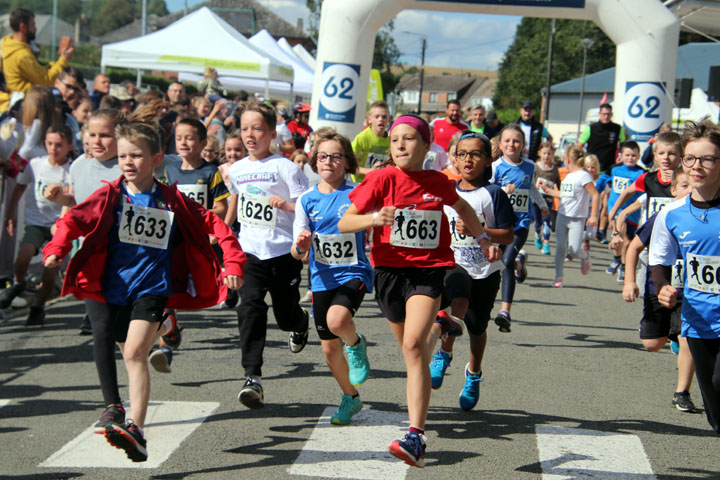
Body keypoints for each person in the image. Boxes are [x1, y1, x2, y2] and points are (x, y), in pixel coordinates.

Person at [43, 121, 246, 462]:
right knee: (127, 346)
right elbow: (73, 219)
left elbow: (216, 224)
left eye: (136, 155)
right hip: (114, 289)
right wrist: (57, 247)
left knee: (135, 353)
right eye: (123, 155)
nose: (127, 162)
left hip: (152, 289)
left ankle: (135, 428)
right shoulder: (110, 195)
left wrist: (234, 264)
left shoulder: (171, 199)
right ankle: (166, 326)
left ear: (156, 160)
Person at [337, 114, 498, 468]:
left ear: (427, 146)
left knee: (412, 346)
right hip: (389, 273)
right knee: (416, 354)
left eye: (409, 139)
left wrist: (483, 237)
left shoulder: (438, 181)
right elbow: (345, 221)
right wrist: (373, 220)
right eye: (395, 140)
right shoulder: (381, 179)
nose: (400, 145)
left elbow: (463, 207)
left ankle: (416, 436)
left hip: (428, 271)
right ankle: (442, 327)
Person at [226, 102, 309, 409]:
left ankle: (301, 323)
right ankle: (253, 377)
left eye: (257, 128)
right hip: (250, 251)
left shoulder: (287, 168)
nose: (250, 135)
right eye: (245, 128)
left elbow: (305, 208)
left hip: (283, 252)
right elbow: (237, 204)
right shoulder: (236, 170)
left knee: (285, 317)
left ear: (272, 133)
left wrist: (287, 207)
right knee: (250, 307)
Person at [429, 131, 515, 411]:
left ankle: (474, 374)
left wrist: (482, 232)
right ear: (454, 158)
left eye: (476, 154)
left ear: (489, 159)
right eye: (462, 154)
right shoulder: (448, 191)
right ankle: (443, 353)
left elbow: (508, 236)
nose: (468, 159)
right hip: (454, 264)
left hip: (486, 271)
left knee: (477, 327)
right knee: (455, 304)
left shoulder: (493, 194)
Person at [292, 131, 373, 425]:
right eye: (323, 156)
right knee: (328, 349)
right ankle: (350, 398)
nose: (328, 161)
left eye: (336, 156)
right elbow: (296, 249)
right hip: (321, 277)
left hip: (354, 272)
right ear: (314, 161)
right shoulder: (306, 200)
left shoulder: (357, 193)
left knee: (337, 322)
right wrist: (301, 245)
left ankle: (356, 343)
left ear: (347, 161)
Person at [649, 119, 720, 435]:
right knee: (716, 412)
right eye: (690, 158)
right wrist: (663, 287)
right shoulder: (672, 214)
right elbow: (659, 259)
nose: (696, 166)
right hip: (698, 320)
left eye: (707, 159)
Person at [624, 168, 696, 412]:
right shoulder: (663, 216)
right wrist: (629, 281)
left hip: (689, 290)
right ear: (673, 191)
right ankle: (666, 333)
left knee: (687, 337)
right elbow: (634, 248)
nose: (690, 191)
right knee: (652, 343)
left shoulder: (704, 217)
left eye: (693, 186)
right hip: (659, 286)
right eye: (684, 186)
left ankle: (681, 392)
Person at [0, 124, 73, 324]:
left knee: (50, 271)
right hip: (36, 221)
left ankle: (38, 306)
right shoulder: (35, 165)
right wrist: (10, 215)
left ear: (69, 146)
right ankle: (18, 284)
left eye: (59, 144)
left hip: (59, 225)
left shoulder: (72, 169)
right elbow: (19, 188)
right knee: (23, 255)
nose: (53, 148)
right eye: (49, 143)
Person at [491, 124, 547, 331]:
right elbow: (488, 192)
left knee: (504, 263)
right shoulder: (495, 167)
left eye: (516, 141)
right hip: (499, 224)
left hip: (520, 224)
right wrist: (502, 190)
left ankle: (505, 311)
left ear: (523, 145)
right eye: (507, 140)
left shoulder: (530, 166)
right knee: (499, 264)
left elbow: (531, 186)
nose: (511, 144)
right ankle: (519, 264)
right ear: (500, 144)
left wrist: (541, 205)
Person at [539, 151, 600, 287]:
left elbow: (595, 195)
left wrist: (594, 215)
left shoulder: (584, 176)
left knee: (573, 250)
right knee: (560, 248)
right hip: (562, 215)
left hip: (577, 219)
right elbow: (563, 195)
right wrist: (547, 190)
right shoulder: (568, 176)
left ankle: (585, 257)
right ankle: (558, 276)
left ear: (567, 160)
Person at [0, 8, 74, 113]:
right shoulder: (22, 55)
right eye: (33, 25)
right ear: (23, 26)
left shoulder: (7, 44)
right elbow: (46, 79)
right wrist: (63, 60)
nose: (35, 28)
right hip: (20, 108)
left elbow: (41, 73)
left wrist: (58, 60)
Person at [161, 118, 229, 218]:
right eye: (178, 138)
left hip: (199, 231)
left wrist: (196, 214)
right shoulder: (169, 170)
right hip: (175, 231)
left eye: (189, 138)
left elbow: (222, 209)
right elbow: (161, 201)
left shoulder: (211, 172)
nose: (183, 142)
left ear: (203, 144)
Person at [606, 141, 645, 282]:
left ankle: (620, 261)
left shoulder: (641, 173)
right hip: (616, 209)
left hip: (632, 212)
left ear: (638, 156)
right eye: (627, 155)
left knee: (626, 242)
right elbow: (603, 180)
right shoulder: (615, 169)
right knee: (623, 238)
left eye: (633, 156)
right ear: (621, 156)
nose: (630, 158)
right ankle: (620, 263)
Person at [578, 103, 626, 174]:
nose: (606, 116)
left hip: (609, 168)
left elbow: (624, 146)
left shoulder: (618, 128)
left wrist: (621, 157)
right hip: (592, 169)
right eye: (604, 114)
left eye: (608, 114)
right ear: (599, 114)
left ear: (612, 114)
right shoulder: (590, 128)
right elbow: (579, 146)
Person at [350, 100, 390, 182]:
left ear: (389, 120)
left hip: (380, 183)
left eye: (384, 117)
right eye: (377, 116)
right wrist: (370, 171)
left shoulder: (391, 140)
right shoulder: (362, 138)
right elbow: (348, 164)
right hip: (361, 183)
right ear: (369, 119)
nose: (381, 119)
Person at [533, 142, 560, 255]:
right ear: (539, 153)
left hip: (548, 199)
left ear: (552, 155)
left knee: (546, 222)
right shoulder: (535, 167)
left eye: (549, 154)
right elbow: (531, 182)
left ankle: (546, 243)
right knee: (538, 222)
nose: (546, 156)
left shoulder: (554, 170)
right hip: (536, 200)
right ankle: (537, 234)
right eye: (544, 153)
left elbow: (558, 183)